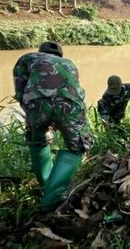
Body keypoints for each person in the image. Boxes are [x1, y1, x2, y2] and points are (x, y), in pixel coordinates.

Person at [13, 41, 93, 212]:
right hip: (70, 106)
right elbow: (73, 91)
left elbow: (20, 93)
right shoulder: (69, 64)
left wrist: (36, 117)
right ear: (60, 56)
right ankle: (52, 197)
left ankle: (47, 185)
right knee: (77, 147)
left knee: (38, 140)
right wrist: (60, 117)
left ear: (40, 52)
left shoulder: (27, 58)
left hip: (36, 105)